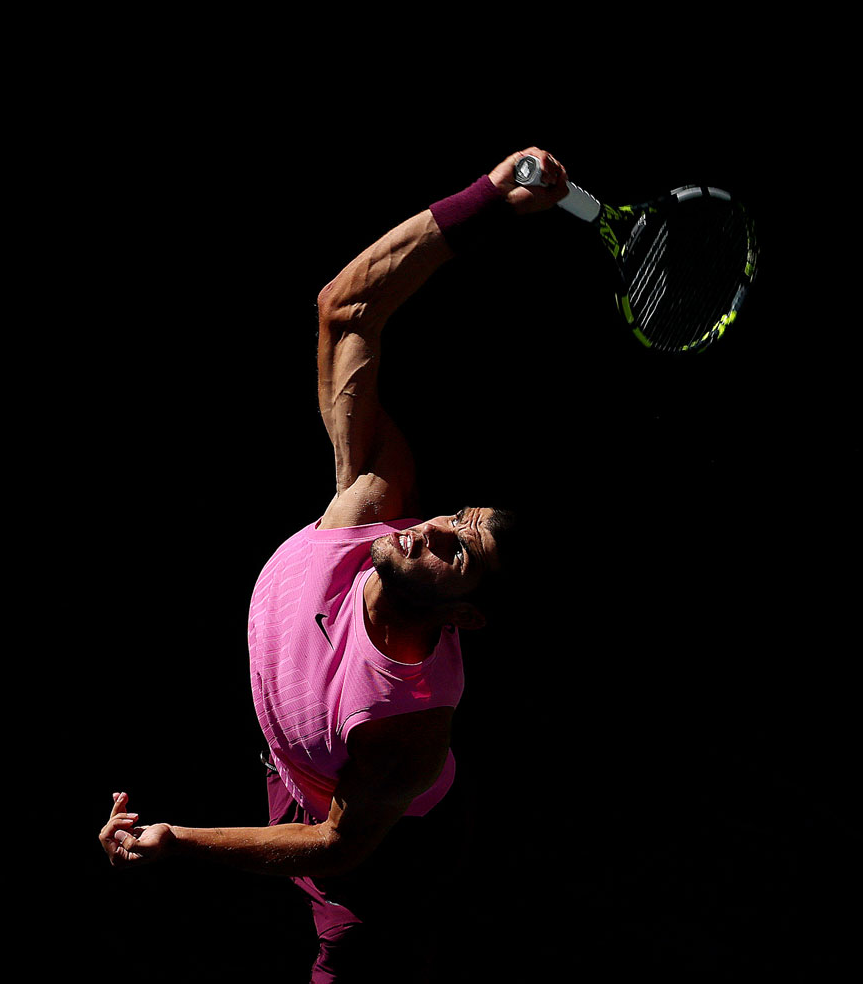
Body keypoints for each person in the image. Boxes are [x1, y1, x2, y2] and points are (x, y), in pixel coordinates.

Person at [98, 146, 575, 980]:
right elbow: (346, 310)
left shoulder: (407, 720)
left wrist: (179, 838)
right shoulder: (367, 505)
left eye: (457, 549)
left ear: (463, 615)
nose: (429, 530)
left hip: (384, 859)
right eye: (451, 517)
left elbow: (335, 845)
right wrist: (485, 203)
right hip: (302, 770)